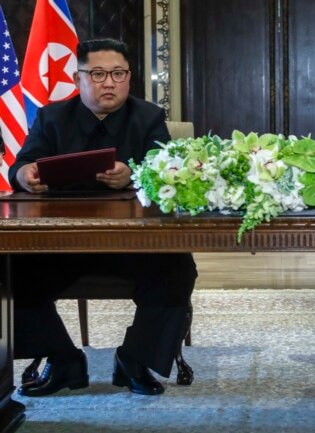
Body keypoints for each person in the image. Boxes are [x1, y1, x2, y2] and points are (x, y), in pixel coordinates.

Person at [8, 38, 197, 396]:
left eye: (117, 73)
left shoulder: (148, 117)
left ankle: (134, 360)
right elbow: (21, 166)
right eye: (96, 74)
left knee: (178, 270)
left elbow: (172, 171)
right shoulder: (51, 116)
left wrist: (136, 173)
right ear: (78, 78)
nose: (108, 82)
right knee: (7, 274)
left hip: (134, 244)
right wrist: (23, 176)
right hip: (61, 244)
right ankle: (62, 359)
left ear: (129, 78)